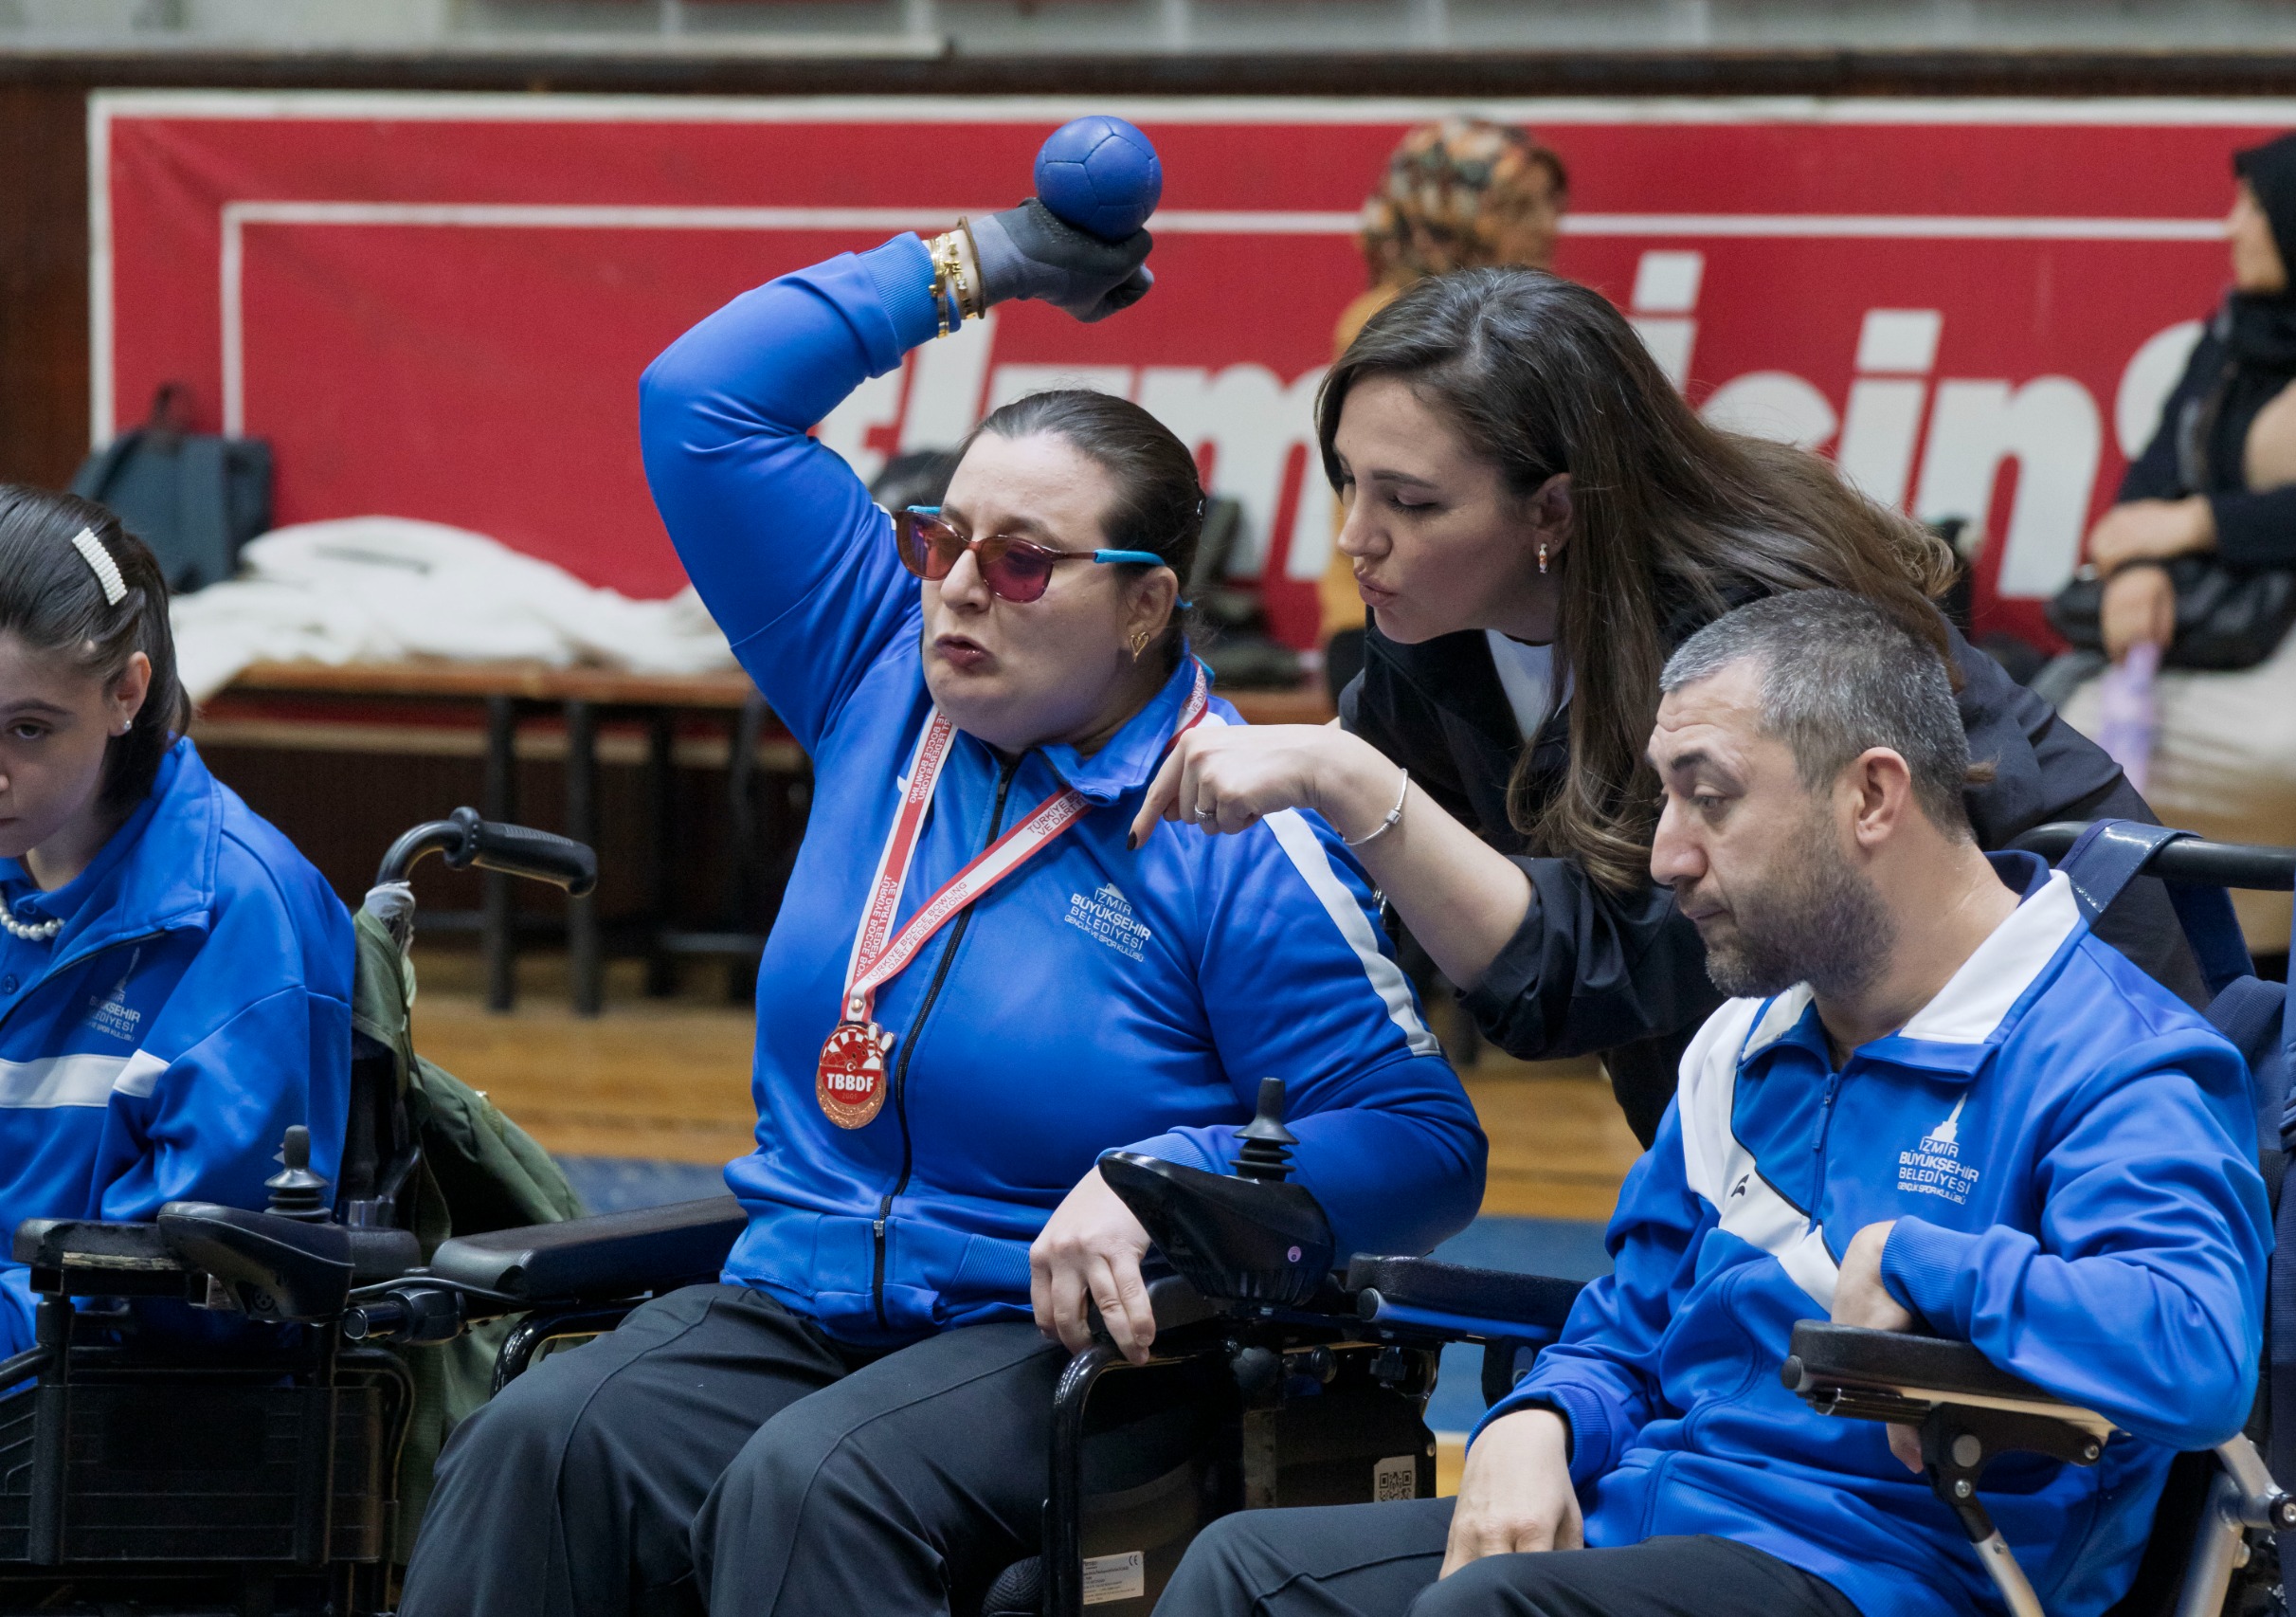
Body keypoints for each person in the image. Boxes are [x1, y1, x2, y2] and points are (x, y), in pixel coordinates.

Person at [400, 201, 1487, 1617]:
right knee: (538, 1441)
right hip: (798, 1293)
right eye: (940, 538)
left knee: (813, 1484)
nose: (959, 590)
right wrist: (989, 261)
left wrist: (1172, 1173)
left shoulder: (1234, 828)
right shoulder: (877, 666)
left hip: (1068, 1336)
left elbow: (1425, 1141)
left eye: (1022, 562)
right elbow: (701, 399)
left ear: (1145, 607)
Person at [1154, 590, 2269, 1617]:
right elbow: (1627, 1323)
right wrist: (1540, 1417)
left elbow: (2199, 1352)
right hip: (1659, 1521)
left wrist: (1926, 1264)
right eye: (1666, 796)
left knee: (1489, 1609)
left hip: (1895, 1570)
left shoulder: (2114, 1055)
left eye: (1710, 797)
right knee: (1244, 1572)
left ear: (1871, 795)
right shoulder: (1744, 1037)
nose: (1666, 855)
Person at [1140, 266, 2195, 1147]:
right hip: (1813, 1067)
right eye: (1346, 481)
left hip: (2074, 1040)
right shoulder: (1431, 611)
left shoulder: (1756, 633)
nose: (1355, 537)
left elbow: (1598, 972)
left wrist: (1347, 778)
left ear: (1553, 509)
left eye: (1409, 501)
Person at [2044, 127, 2296, 950]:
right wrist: (2139, 566)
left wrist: (2198, 524)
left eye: (2254, 209)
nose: (2232, 228)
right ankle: (2155, 953)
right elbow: (2156, 467)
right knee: (2072, 733)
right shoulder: (2235, 331)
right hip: (2213, 608)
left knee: (2291, 756)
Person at [0, 487, 353, 1353]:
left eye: (29, 730)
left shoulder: (242, 913)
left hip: (102, 1401)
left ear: (126, 692)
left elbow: (193, 1299)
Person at [1317, 118, 1568, 699]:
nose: (1545, 225)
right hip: (1391, 623)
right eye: (1518, 208)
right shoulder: (1386, 325)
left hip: (1485, 616)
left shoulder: (1536, 323)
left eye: (1546, 206)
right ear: (1449, 214)